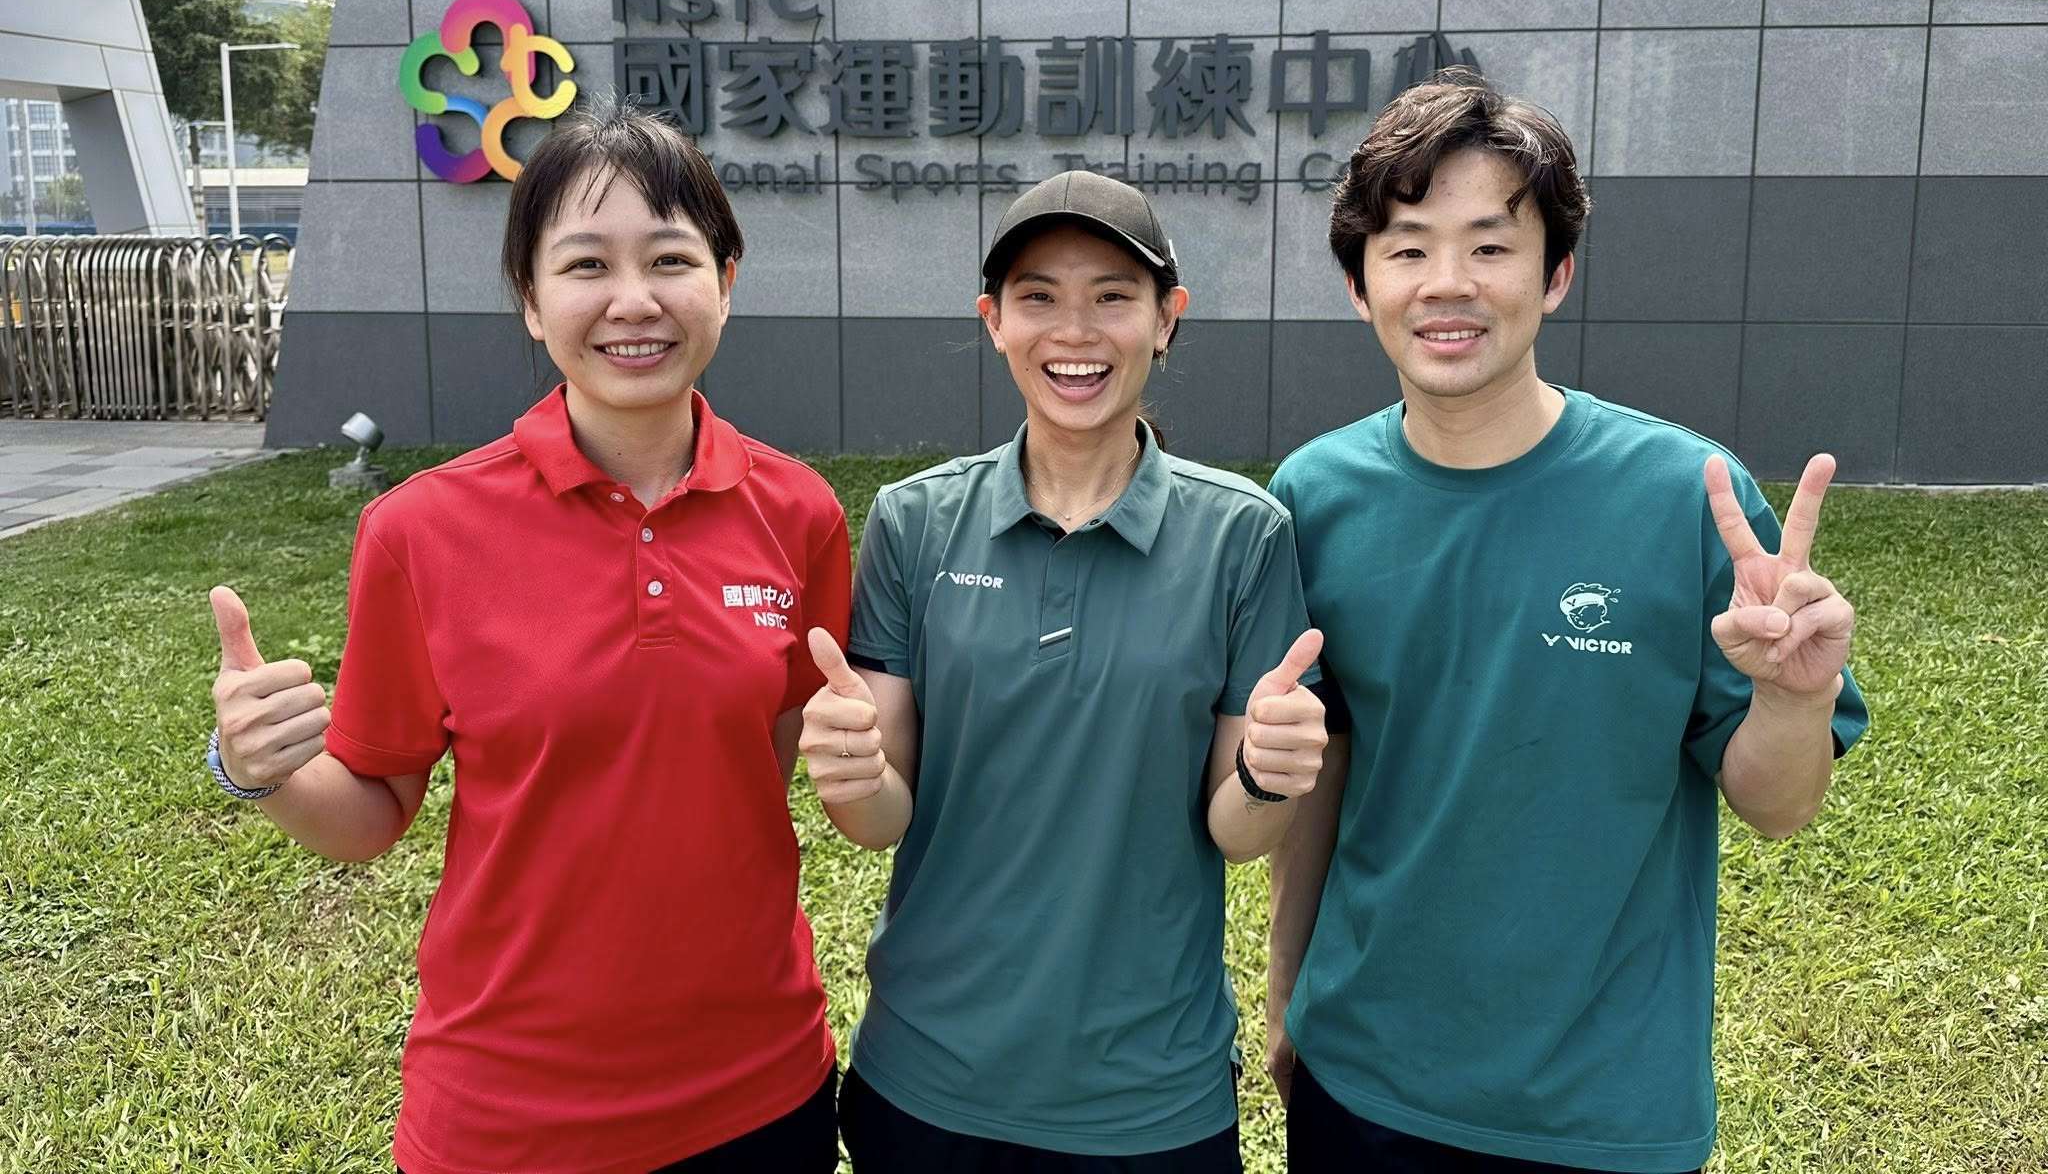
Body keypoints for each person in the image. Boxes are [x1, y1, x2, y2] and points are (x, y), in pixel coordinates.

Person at [203, 104, 850, 1174]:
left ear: (725, 283)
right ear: (530, 303)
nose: (633, 301)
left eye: (672, 259)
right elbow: (372, 812)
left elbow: (764, 767)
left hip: (760, 1091)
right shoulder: (421, 531)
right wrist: (258, 771)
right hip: (508, 1113)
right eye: (585, 263)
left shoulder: (800, 516)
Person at [1265, 72, 1868, 1174]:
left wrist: (1790, 693)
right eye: (1406, 247)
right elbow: (1327, 770)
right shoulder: (1314, 496)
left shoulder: (1688, 494)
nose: (1445, 284)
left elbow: (1773, 807)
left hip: (1606, 1108)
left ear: (1555, 275)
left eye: (1490, 246)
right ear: (1360, 285)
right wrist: (1285, 996)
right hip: (1362, 1082)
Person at [800, 170, 1328, 1172]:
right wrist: (852, 773)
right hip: (927, 1082)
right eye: (1038, 297)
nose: (1073, 332)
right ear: (992, 321)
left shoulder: (1241, 537)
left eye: (1112, 297)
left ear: (1166, 320)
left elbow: (1238, 833)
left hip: (1148, 1099)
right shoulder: (916, 522)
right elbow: (878, 824)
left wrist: (1268, 771)